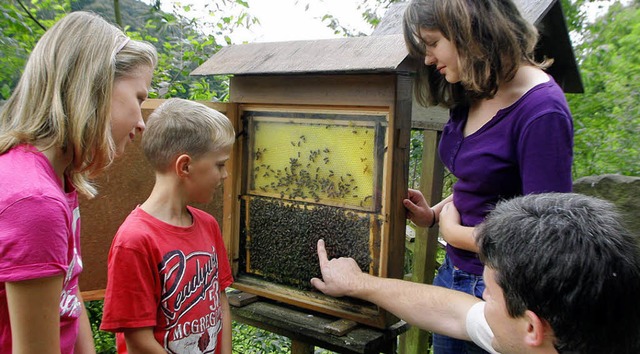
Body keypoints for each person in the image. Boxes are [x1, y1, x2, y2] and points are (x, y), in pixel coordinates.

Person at [401, 1, 574, 352]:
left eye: (432, 43)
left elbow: (542, 236)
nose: (428, 58)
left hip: (499, 296)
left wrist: (455, 233)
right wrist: (434, 214)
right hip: (454, 275)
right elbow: (483, 184)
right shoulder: (476, 86)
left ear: (470, 27)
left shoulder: (542, 112)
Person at [0, 11, 157, 354]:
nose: (142, 122)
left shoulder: (58, 181)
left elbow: (68, 299)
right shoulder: (34, 201)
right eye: (139, 98)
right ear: (95, 88)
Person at [312, 193, 640, 353]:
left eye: (487, 293)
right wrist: (360, 283)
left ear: (531, 327)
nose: (480, 299)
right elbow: (454, 311)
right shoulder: (551, 336)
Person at [100, 98, 235, 354]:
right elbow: (138, 341)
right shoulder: (134, 241)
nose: (225, 174)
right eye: (220, 164)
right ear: (185, 166)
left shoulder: (208, 225)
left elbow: (220, 299)